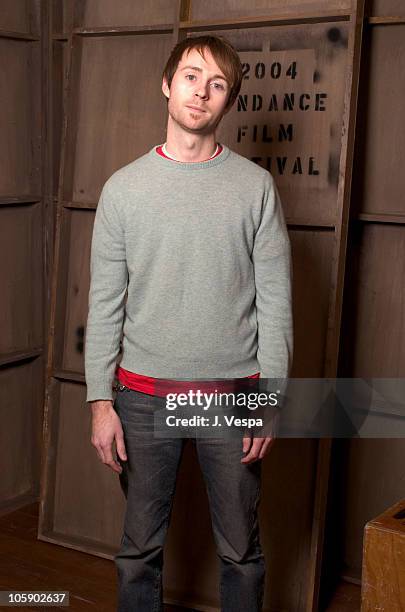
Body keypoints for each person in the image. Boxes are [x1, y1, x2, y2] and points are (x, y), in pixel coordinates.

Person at [84, 35, 293, 612]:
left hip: (231, 398)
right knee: (138, 552)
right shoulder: (122, 190)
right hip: (144, 399)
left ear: (228, 103)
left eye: (218, 84)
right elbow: (105, 303)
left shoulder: (255, 188)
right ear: (166, 84)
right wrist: (101, 402)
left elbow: (276, 304)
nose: (202, 92)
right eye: (191, 77)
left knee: (241, 552)